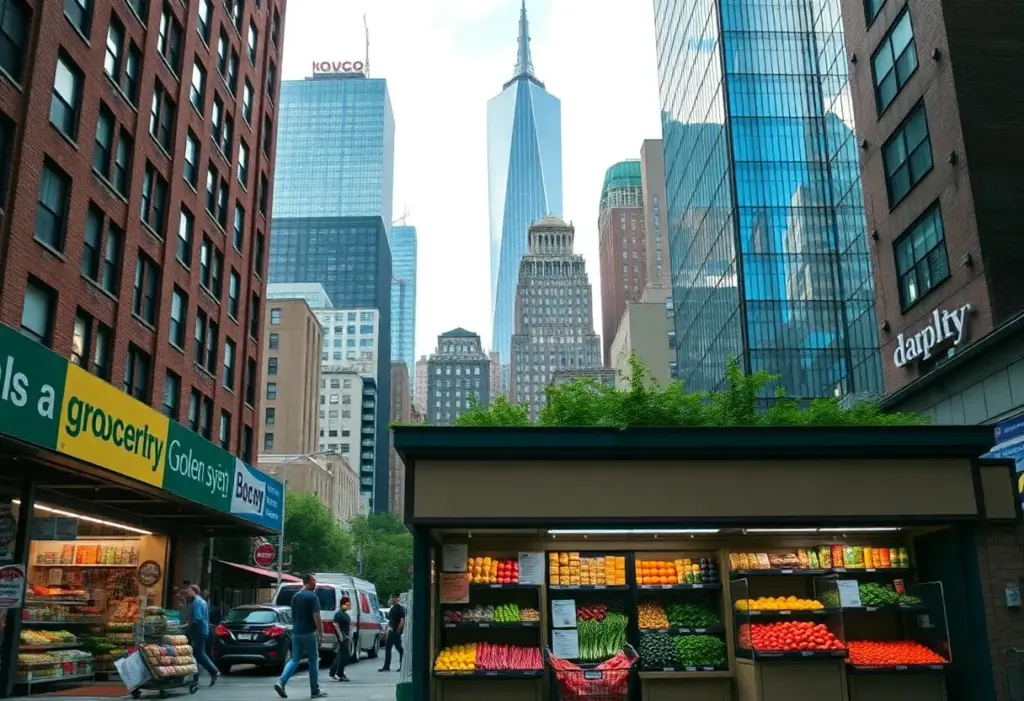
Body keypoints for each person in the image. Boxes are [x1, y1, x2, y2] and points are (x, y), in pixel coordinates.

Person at [274, 574, 327, 699]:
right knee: (313, 660)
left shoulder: (295, 596)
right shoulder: (313, 597)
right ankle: (315, 690)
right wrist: (321, 633)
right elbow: (316, 616)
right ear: (307, 582)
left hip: (296, 633)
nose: (316, 583)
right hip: (309, 633)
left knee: (294, 660)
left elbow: (294, 615)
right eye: (314, 581)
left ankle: (281, 682)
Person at [184, 585, 218, 686]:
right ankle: (196, 677)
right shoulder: (201, 601)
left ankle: (213, 671)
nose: (187, 592)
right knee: (196, 654)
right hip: (202, 630)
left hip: (198, 631)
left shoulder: (197, 602)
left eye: (188, 590)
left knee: (199, 653)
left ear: (194, 591)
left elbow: (197, 618)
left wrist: (188, 625)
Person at [379, 594, 405, 672]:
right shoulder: (393, 608)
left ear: (398, 599)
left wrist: (398, 630)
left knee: (398, 649)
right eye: (392, 598)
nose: (393, 599)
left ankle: (398, 665)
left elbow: (402, 620)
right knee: (390, 648)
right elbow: (391, 621)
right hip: (392, 631)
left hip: (395, 631)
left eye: (394, 598)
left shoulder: (399, 609)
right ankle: (387, 666)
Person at [329, 596, 352, 682]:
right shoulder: (339, 614)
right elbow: (336, 625)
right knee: (345, 655)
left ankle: (333, 672)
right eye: (347, 604)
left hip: (346, 636)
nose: (349, 606)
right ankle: (340, 673)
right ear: (342, 604)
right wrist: (340, 636)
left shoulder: (345, 614)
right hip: (342, 637)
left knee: (340, 655)